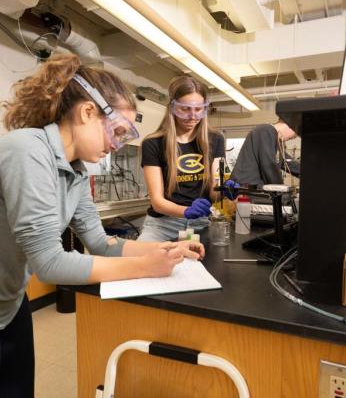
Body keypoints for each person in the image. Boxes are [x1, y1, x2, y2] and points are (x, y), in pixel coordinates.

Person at [0, 54, 204, 398]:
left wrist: (162, 249)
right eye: (117, 132)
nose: (116, 144)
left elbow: (98, 242)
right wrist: (143, 267)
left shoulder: (75, 171)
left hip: (9, 304)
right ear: (87, 112)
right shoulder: (26, 150)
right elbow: (48, 263)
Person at [138, 76, 225, 241]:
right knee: (139, 261)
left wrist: (225, 190)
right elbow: (157, 201)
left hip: (201, 225)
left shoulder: (216, 139)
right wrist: (185, 211)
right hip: (162, 226)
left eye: (199, 109)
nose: (193, 116)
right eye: (185, 109)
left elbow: (215, 193)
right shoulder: (153, 143)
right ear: (172, 107)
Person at [230, 120, 299, 187]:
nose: (294, 137)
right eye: (294, 134)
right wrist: (281, 188)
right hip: (247, 188)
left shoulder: (276, 140)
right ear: (288, 124)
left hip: (254, 188)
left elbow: (287, 162)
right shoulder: (265, 131)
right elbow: (269, 165)